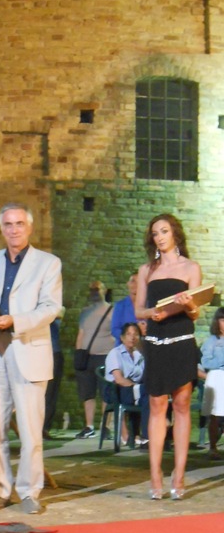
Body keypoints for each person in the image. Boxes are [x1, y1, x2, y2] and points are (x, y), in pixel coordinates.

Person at [0, 203, 62, 514]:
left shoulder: (48, 263)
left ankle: (29, 492)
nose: (13, 230)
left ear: (29, 227)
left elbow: (50, 308)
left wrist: (16, 320)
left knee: (30, 430)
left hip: (27, 347)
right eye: (8, 224)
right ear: (1, 228)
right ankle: (0, 487)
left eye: (19, 224)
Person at [135, 213, 202, 500]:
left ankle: (179, 474)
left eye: (164, 231)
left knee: (183, 404)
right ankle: (155, 476)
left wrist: (189, 304)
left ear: (175, 233)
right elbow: (139, 309)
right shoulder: (146, 270)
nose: (160, 237)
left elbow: (196, 313)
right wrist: (152, 312)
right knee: (156, 404)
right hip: (156, 341)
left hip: (182, 340)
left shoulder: (191, 268)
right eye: (155, 233)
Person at [74, 281, 113, 439]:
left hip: (105, 356)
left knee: (106, 393)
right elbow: (81, 334)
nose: (94, 292)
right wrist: (78, 353)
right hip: (87, 357)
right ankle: (89, 426)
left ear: (104, 290)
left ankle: (105, 427)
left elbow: (116, 334)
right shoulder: (85, 312)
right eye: (92, 289)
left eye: (97, 289)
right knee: (87, 393)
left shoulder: (112, 311)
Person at [104, 322, 149, 448]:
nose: (132, 337)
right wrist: (137, 387)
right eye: (129, 334)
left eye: (136, 334)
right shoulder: (115, 353)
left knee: (155, 394)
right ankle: (146, 436)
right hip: (117, 390)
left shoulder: (139, 355)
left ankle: (153, 434)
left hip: (135, 390)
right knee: (147, 394)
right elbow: (119, 379)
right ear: (122, 337)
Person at [199, 307, 224, 459]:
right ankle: (213, 447)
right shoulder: (211, 341)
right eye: (222, 320)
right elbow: (206, 362)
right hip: (217, 377)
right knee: (214, 415)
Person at [43, 309, 65, 439]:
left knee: (50, 392)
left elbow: (58, 312)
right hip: (38, 354)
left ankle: (45, 426)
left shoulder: (55, 308)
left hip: (53, 352)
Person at [111, 273, 139, 344]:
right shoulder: (120, 306)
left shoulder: (148, 305)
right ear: (128, 284)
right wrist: (128, 336)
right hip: (123, 347)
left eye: (139, 282)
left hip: (143, 347)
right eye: (133, 281)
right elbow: (114, 329)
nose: (136, 285)